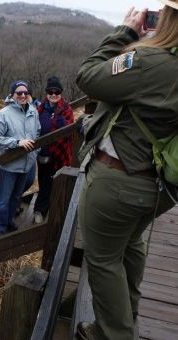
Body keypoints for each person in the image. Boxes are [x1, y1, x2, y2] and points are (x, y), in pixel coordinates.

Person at [75, 4, 178, 339]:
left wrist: (126, 33)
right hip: (160, 185)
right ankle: (127, 312)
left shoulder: (152, 62)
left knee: (103, 261)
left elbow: (88, 76)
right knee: (131, 243)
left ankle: (113, 332)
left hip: (119, 181)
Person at [0, 80, 40, 236]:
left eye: (25, 92)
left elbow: (37, 133)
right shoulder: (4, 114)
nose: (23, 95)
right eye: (19, 93)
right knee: (4, 199)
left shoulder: (33, 111)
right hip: (9, 165)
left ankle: (9, 221)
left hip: (26, 164)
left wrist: (34, 153)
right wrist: (17, 143)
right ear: (12, 95)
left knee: (17, 197)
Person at [33, 76, 74, 224]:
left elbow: (70, 129)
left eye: (57, 92)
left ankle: (56, 211)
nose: (54, 94)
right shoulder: (40, 108)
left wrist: (61, 122)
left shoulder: (66, 109)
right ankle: (40, 211)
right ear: (47, 93)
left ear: (61, 93)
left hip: (59, 153)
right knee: (44, 182)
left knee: (58, 182)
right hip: (42, 153)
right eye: (51, 91)